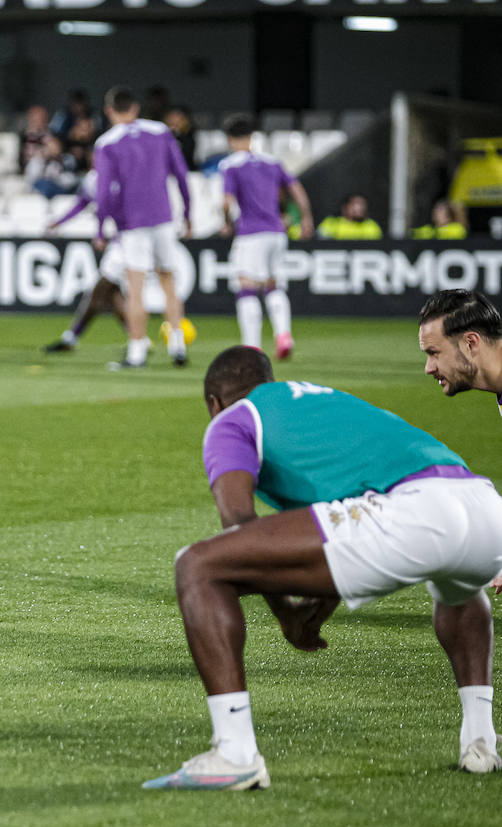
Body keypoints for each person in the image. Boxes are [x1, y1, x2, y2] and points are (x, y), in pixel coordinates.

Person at [146, 346, 502, 790]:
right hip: (484, 506)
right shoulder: (322, 402)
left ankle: (234, 751)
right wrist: (316, 604)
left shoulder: (233, 418)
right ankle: (481, 740)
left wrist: (286, 615)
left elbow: (237, 527)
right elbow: (337, 527)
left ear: (214, 403)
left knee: (198, 565)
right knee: (459, 588)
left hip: (416, 512)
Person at [43, 171, 197, 355]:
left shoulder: (125, 175)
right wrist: (59, 222)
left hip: (128, 241)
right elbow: (83, 203)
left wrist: (101, 232)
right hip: (123, 240)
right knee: (108, 293)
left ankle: (133, 341)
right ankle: (139, 340)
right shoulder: (94, 179)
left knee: (103, 290)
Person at [93, 85, 192, 370]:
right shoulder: (160, 132)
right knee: (168, 282)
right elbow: (181, 174)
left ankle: (137, 351)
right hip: (163, 218)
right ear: (136, 108)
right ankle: (177, 344)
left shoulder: (107, 143)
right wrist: (188, 211)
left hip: (132, 223)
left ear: (109, 110)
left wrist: (102, 226)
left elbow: (104, 192)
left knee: (135, 288)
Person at [219, 114, 313, 360]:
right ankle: (284, 334)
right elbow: (296, 189)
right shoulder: (272, 162)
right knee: (274, 285)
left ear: (229, 139)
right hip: (276, 232)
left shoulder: (230, 165)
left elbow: (227, 202)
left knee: (246, 288)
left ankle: (251, 347)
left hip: (251, 234)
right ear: (252, 136)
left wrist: (227, 222)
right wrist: (306, 218)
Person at [316, 193, 382, 240]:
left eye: (362, 205)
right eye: (355, 204)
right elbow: (320, 239)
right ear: (344, 207)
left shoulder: (371, 226)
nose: (359, 208)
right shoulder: (332, 223)